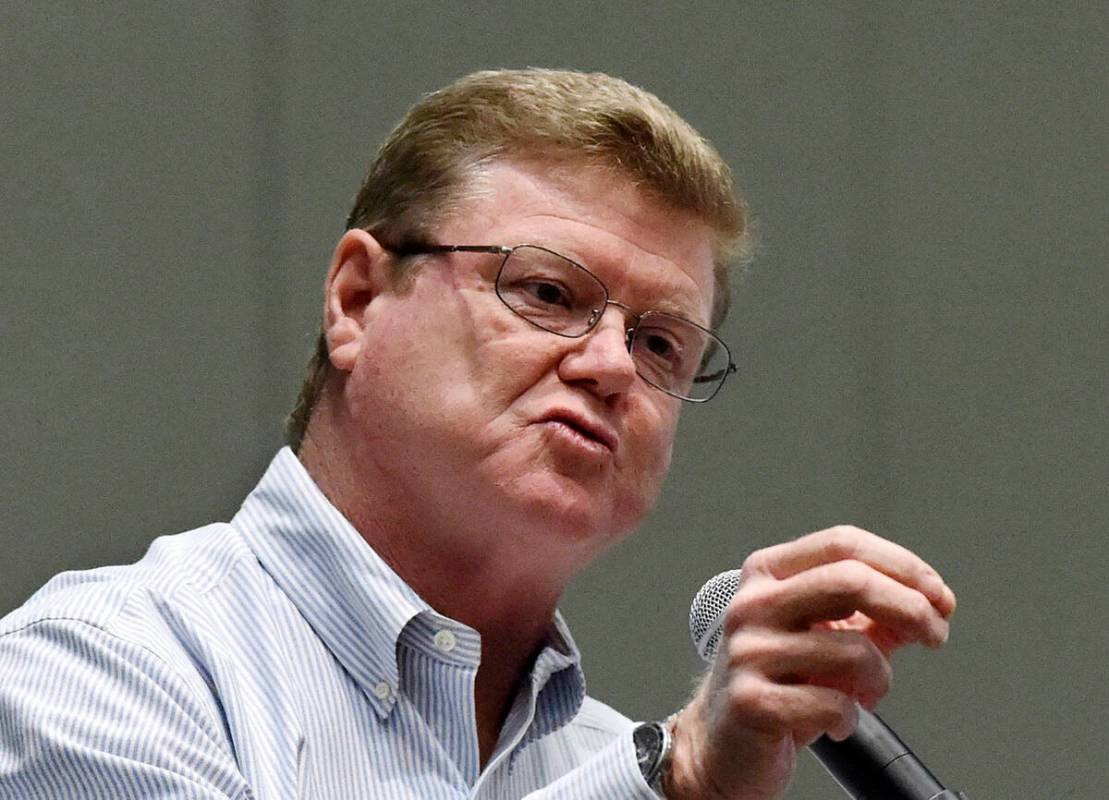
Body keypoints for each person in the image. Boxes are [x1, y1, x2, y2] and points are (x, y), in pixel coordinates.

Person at [0, 69, 955, 799]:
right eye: (546, 293)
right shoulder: (97, 668)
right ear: (357, 299)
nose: (612, 366)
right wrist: (675, 774)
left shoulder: (612, 762)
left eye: (660, 341)